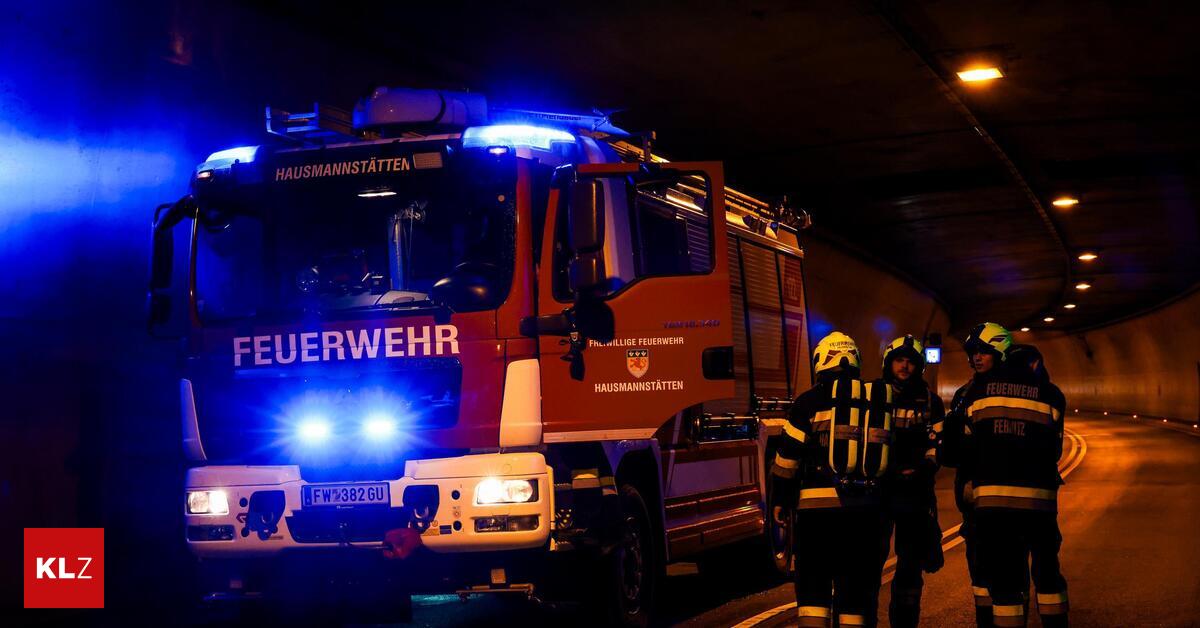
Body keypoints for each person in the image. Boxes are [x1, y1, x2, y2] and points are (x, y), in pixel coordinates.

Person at [771, 331, 893, 628]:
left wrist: (781, 501)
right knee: (855, 590)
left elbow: (787, 460)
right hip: (864, 514)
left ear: (820, 362)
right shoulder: (876, 400)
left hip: (817, 518)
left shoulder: (808, 402)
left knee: (814, 588)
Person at [958, 325, 1069, 627]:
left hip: (993, 505)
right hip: (1040, 504)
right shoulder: (1051, 395)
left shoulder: (976, 393)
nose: (976, 359)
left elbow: (965, 450)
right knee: (1048, 575)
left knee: (1005, 580)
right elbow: (1054, 450)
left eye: (982, 352)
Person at [941, 322, 1012, 626]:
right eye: (974, 353)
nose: (977, 358)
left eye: (985, 352)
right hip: (973, 500)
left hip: (1006, 500)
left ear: (1001, 354)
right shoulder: (964, 394)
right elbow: (954, 446)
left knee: (1007, 566)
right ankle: (985, 618)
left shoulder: (1010, 392)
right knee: (978, 567)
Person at [878, 335, 946, 628]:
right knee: (872, 560)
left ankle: (905, 622)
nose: (904, 366)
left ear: (918, 366)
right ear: (889, 364)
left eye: (910, 362)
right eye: (899, 360)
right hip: (880, 490)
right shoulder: (875, 396)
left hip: (916, 492)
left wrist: (923, 469)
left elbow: (938, 443)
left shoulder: (931, 401)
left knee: (910, 564)